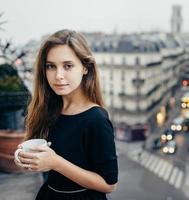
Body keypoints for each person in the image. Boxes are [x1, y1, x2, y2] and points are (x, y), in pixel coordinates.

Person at [14, 29, 118, 200]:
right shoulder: (49, 108)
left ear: (85, 68)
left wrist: (56, 163)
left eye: (68, 66)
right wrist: (23, 157)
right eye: (51, 66)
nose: (58, 76)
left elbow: (109, 184)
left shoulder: (96, 119)